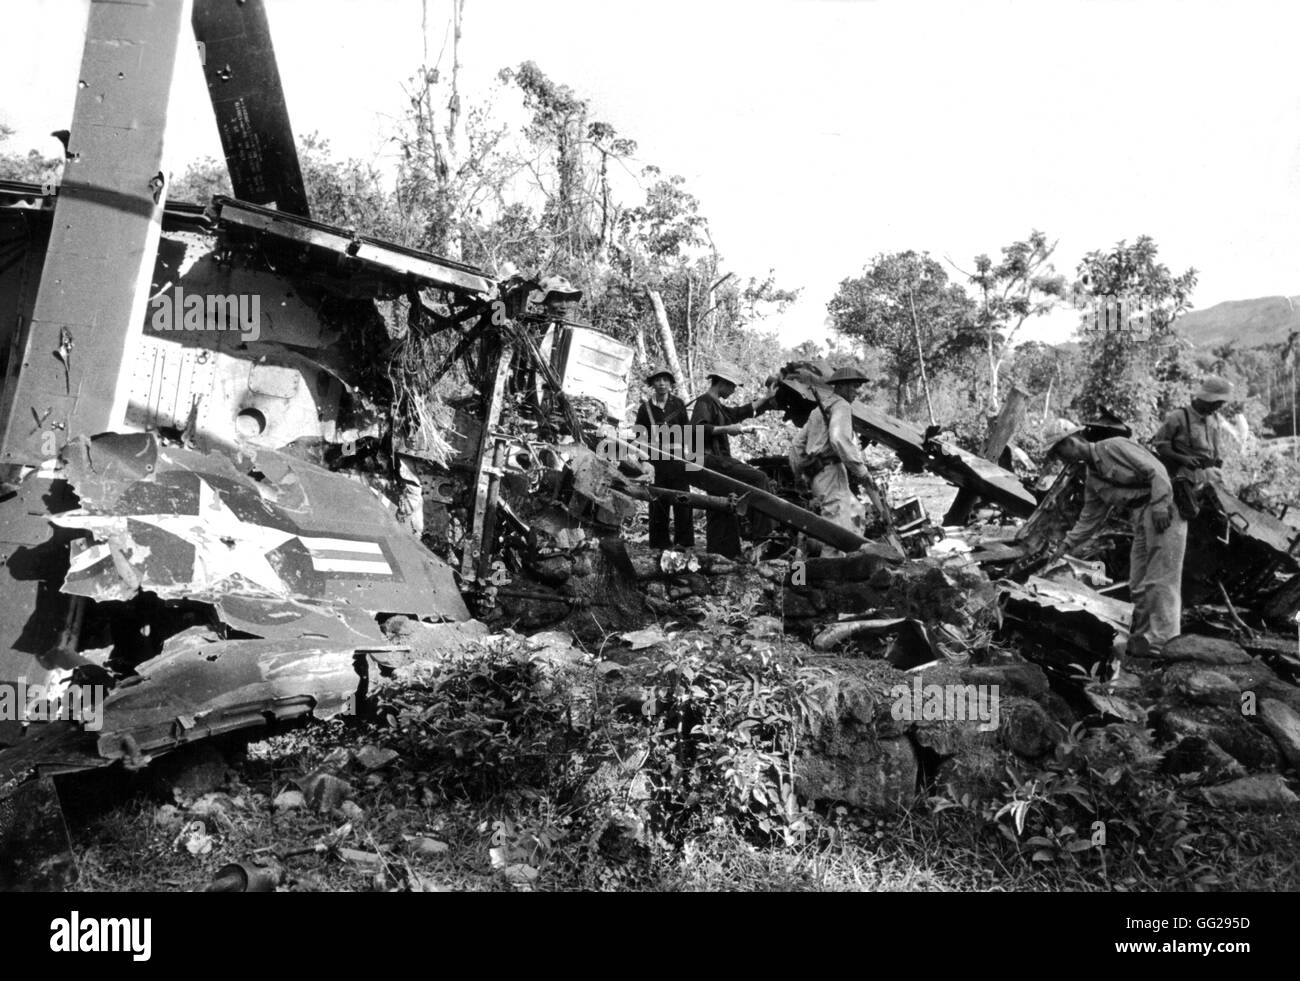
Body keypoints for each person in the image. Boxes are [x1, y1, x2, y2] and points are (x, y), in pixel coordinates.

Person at [1043, 428, 1183, 659]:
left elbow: (1157, 471)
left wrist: (1160, 505)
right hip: (1140, 516)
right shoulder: (1092, 479)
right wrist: (1064, 546)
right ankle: (1144, 641)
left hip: (1165, 509)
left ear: (1071, 442)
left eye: (1060, 452)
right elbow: (1089, 519)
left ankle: (1165, 644)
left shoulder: (1115, 446)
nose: (1061, 459)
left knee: (1161, 578)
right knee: (1138, 581)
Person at [789, 365, 884, 555]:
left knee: (856, 512)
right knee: (836, 529)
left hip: (818, 474)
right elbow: (839, 439)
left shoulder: (818, 410)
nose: (857, 391)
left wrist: (799, 474)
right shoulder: (841, 406)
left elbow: (796, 446)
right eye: (854, 387)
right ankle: (830, 573)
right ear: (842, 387)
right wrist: (861, 471)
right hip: (831, 472)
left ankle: (850, 559)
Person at [690, 361, 779, 558]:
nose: (733, 391)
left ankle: (722, 555)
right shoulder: (704, 402)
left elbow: (739, 412)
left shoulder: (718, 406)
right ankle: (765, 537)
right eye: (731, 386)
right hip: (706, 460)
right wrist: (727, 429)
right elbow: (696, 429)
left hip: (713, 461)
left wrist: (766, 398)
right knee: (758, 479)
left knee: (723, 504)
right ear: (721, 382)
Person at [634, 368, 693, 548]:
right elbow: (640, 436)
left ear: (670, 384)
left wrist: (691, 460)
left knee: (683, 502)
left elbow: (688, 433)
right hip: (656, 462)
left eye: (665, 380)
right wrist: (644, 461)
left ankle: (684, 544)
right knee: (658, 502)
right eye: (658, 380)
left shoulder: (679, 404)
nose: (661, 383)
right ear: (653, 384)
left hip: (677, 461)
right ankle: (660, 545)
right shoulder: (645, 409)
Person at [1152, 376, 1232, 492]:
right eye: (1218, 403)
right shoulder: (1178, 417)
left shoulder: (1214, 419)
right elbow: (1161, 447)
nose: (1219, 407)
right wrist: (1183, 458)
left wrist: (1217, 460)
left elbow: (1215, 449)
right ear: (1209, 400)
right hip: (1181, 477)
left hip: (1206, 477)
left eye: (1221, 403)